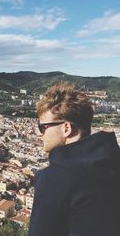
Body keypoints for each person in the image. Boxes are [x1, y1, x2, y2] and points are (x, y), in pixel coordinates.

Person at [28, 83, 120, 236]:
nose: (39, 134)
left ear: (66, 128)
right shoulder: (113, 162)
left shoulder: (54, 179)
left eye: (42, 127)